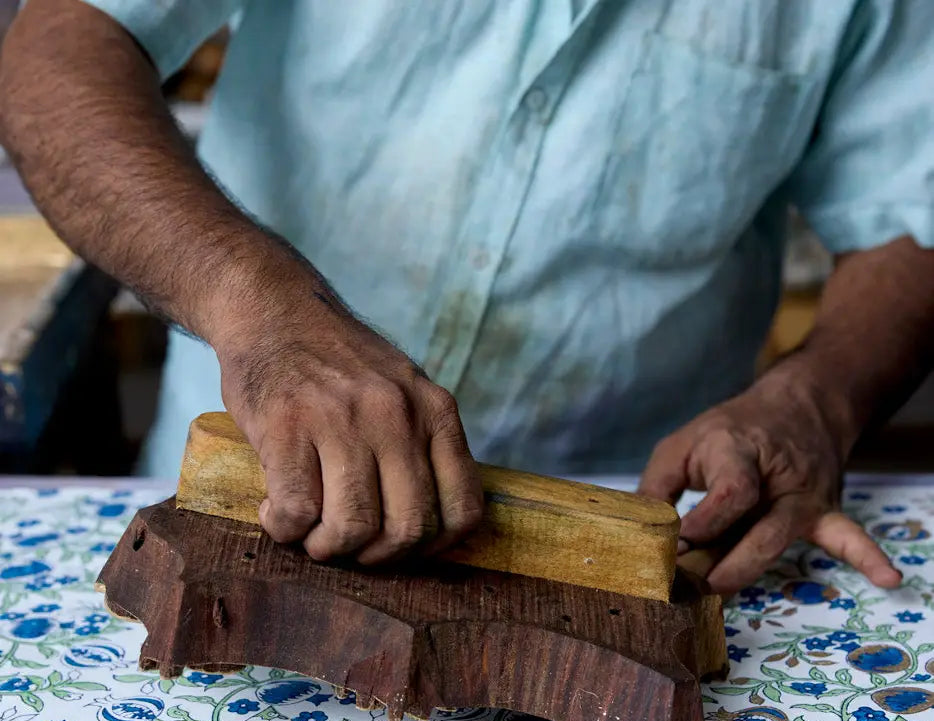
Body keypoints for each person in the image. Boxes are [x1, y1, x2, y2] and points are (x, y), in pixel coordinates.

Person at [1, 0, 932, 593]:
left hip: (642, 529)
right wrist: (263, 308)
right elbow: (63, 46)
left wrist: (817, 399)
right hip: (260, 484)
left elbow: (910, 209)